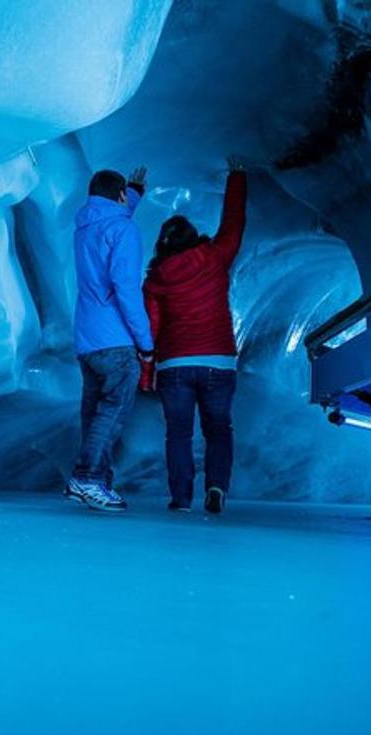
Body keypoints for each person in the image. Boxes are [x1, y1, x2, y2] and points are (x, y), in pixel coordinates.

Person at [141, 156, 248, 514]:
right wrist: (237, 178)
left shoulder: (156, 280)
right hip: (218, 360)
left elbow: (150, 327)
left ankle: (181, 497)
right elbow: (234, 225)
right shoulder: (215, 257)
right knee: (219, 428)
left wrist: (146, 371)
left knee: (179, 433)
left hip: (174, 365)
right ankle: (216, 486)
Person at [64, 166, 155, 512]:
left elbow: (111, 218)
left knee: (93, 414)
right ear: (118, 197)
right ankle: (86, 478)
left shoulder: (85, 227)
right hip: (115, 340)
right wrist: (145, 343)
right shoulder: (123, 229)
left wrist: (132, 191)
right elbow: (126, 289)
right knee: (112, 414)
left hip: (87, 341)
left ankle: (96, 482)